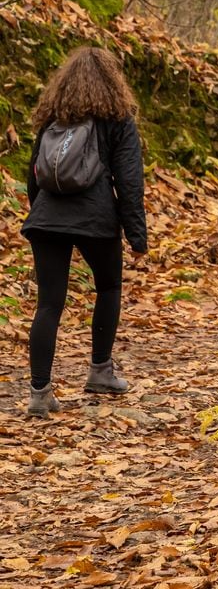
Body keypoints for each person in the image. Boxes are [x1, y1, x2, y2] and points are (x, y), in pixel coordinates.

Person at [22, 47, 148, 419]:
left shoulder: (54, 117)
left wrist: (39, 215)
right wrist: (137, 236)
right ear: (113, 81)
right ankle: (100, 371)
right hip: (96, 219)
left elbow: (34, 174)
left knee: (49, 304)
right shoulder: (118, 118)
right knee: (108, 287)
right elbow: (129, 181)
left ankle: (39, 393)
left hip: (47, 219)